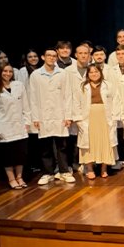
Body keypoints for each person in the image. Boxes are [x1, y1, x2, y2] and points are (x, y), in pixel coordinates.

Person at [30, 48, 75, 185]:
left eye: (54, 56)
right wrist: (35, 117)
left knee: (62, 145)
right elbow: (32, 97)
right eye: (48, 55)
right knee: (45, 146)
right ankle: (47, 172)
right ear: (43, 57)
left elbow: (68, 95)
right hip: (43, 115)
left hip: (60, 114)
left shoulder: (62, 73)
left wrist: (68, 115)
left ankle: (64, 171)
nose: (51, 58)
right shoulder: (36, 75)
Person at [0, 63, 31, 188]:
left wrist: (27, 121)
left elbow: (26, 105)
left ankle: (19, 177)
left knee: (20, 154)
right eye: (5, 71)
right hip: (4, 127)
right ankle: (11, 179)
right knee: (8, 155)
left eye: (10, 71)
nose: (8, 74)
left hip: (19, 125)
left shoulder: (19, 85)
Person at [74, 63, 119, 179]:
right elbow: (76, 104)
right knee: (89, 143)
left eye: (96, 72)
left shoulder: (108, 85)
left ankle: (104, 168)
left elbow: (116, 101)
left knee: (105, 141)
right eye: (91, 72)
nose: (94, 74)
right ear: (88, 74)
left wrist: (115, 116)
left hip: (105, 117)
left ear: (100, 73)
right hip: (88, 118)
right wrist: (79, 120)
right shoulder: (82, 87)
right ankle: (89, 169)